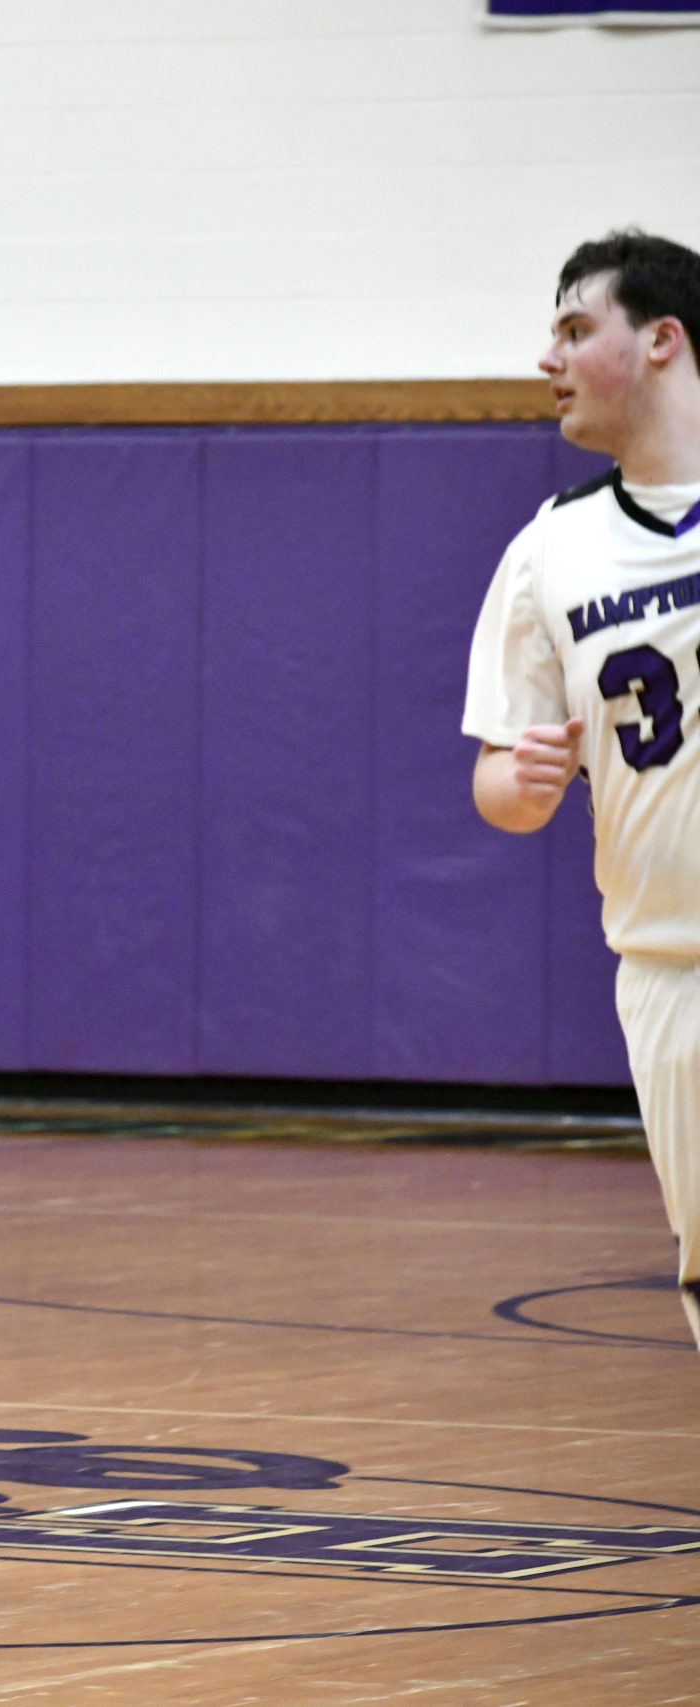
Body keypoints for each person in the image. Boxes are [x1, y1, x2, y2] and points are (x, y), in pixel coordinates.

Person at [466, 229, 700, 1351]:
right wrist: (525, 778)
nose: (546, 358)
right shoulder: (548, 552)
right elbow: (498, 785)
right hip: (671, 969)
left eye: (572, 330)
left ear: (661, 341)